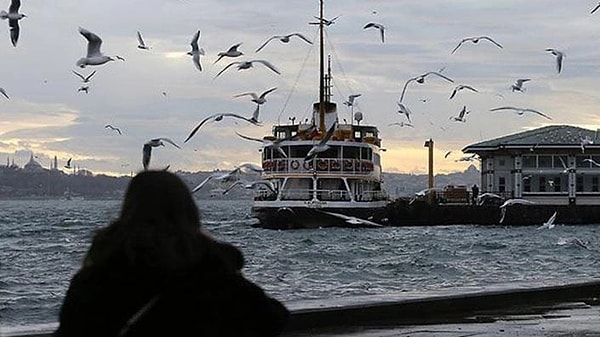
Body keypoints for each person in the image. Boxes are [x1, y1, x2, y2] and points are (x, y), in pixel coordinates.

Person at [54, 171, 288, 337]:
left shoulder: (97, 277)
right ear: (189, 212)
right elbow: (272, 319)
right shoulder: (213, 274)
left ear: (128, 210)